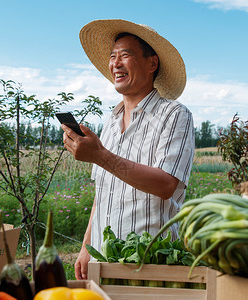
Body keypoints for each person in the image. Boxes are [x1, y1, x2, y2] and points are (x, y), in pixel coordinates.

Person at [61, 19, 195, 280]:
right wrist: (87, 247)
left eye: (126, 55)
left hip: (151, 263)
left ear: (152, 63)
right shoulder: (110, 122)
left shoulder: (175, 115)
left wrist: (100, 155)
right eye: (113, 57)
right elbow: (103, 194)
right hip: (103, 259)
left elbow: (166, 185)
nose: (115, 64)